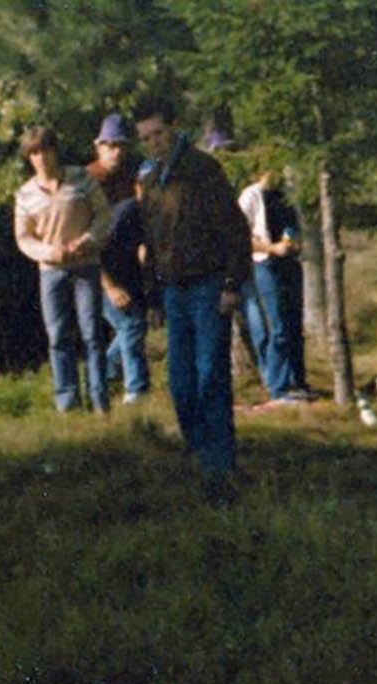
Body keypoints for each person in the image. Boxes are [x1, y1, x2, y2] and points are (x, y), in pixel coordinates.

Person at [134, 100, 254, 503]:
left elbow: (236, 229)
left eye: (159, 134)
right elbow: (151, 245)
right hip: (173, 291)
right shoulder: (150, 183)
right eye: (146, 139)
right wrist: (151, 296)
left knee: (210, 378)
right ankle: (201, 453)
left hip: (208, 286)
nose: (154, 143)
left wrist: (232, 283)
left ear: (173, 130)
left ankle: (219, 471)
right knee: (181, 384)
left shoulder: (203, 170)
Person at [13, 126, 114, 414]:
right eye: (34, 152)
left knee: (92, 333)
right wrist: (49, 252)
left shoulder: (80, 178)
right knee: (58, 335)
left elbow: (103, 214)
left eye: (45, 150)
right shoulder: (25, 194)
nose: (41, 157)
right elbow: (24, 237)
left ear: (54, 150)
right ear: (29, 158)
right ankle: (67, 401)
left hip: (85, 265)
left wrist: (87, 241)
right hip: (51, 270)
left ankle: (99, 399)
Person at [86, 113, 150, 405]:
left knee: (135, 326)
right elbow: (88, 241)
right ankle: (136, 391)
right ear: (98, 146)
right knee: (130, 325)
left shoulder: (129, 180)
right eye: (110, 145)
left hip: (126, 267)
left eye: (121, 145)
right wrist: (108, 286)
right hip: (94, 271)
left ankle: (102, 374)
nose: (116, 151)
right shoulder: (87, 182)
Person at [236, 164, 311, 401]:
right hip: (265, 263)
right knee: (277, 326)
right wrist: (270, 247)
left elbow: (296, 226)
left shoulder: (287, 193)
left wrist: (296, 243)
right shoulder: (252, 195)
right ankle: (278, 387)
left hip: (291, 262)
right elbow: (237, 235)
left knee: (294, 326)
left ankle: (299, 382)